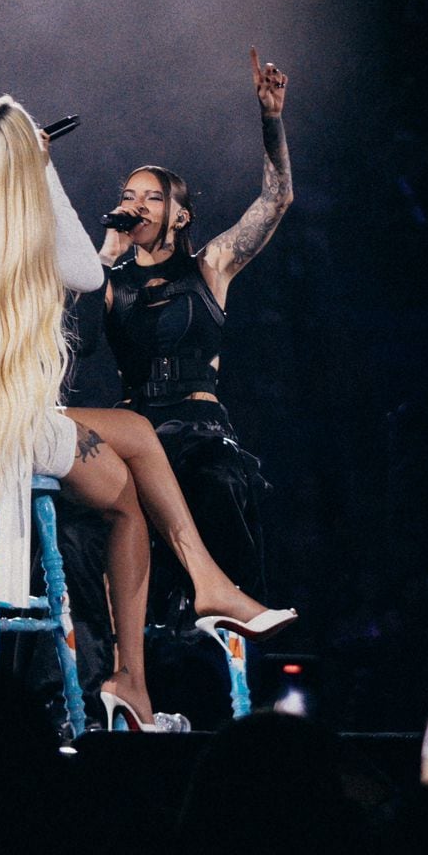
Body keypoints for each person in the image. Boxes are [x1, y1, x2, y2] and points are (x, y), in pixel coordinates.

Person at [0, 0, 294, 732]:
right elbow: (88, 271)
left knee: (126, 485)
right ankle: (190, 610)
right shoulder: (35, 237)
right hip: (10, 432)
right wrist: (44, 175)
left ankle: (133, 679)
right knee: (130, 465)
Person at [94, 47, 295, 634]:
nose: (137, 203)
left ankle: (226, 607)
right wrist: (108, 253)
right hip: (136, 427)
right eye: (129, 194)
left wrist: (271, 119)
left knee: (214, 479)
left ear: (179, 215)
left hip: (197, 426)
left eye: (152, 196)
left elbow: (276, 198)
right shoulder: (106, 280)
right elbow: (71, 344)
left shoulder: (209, 268)